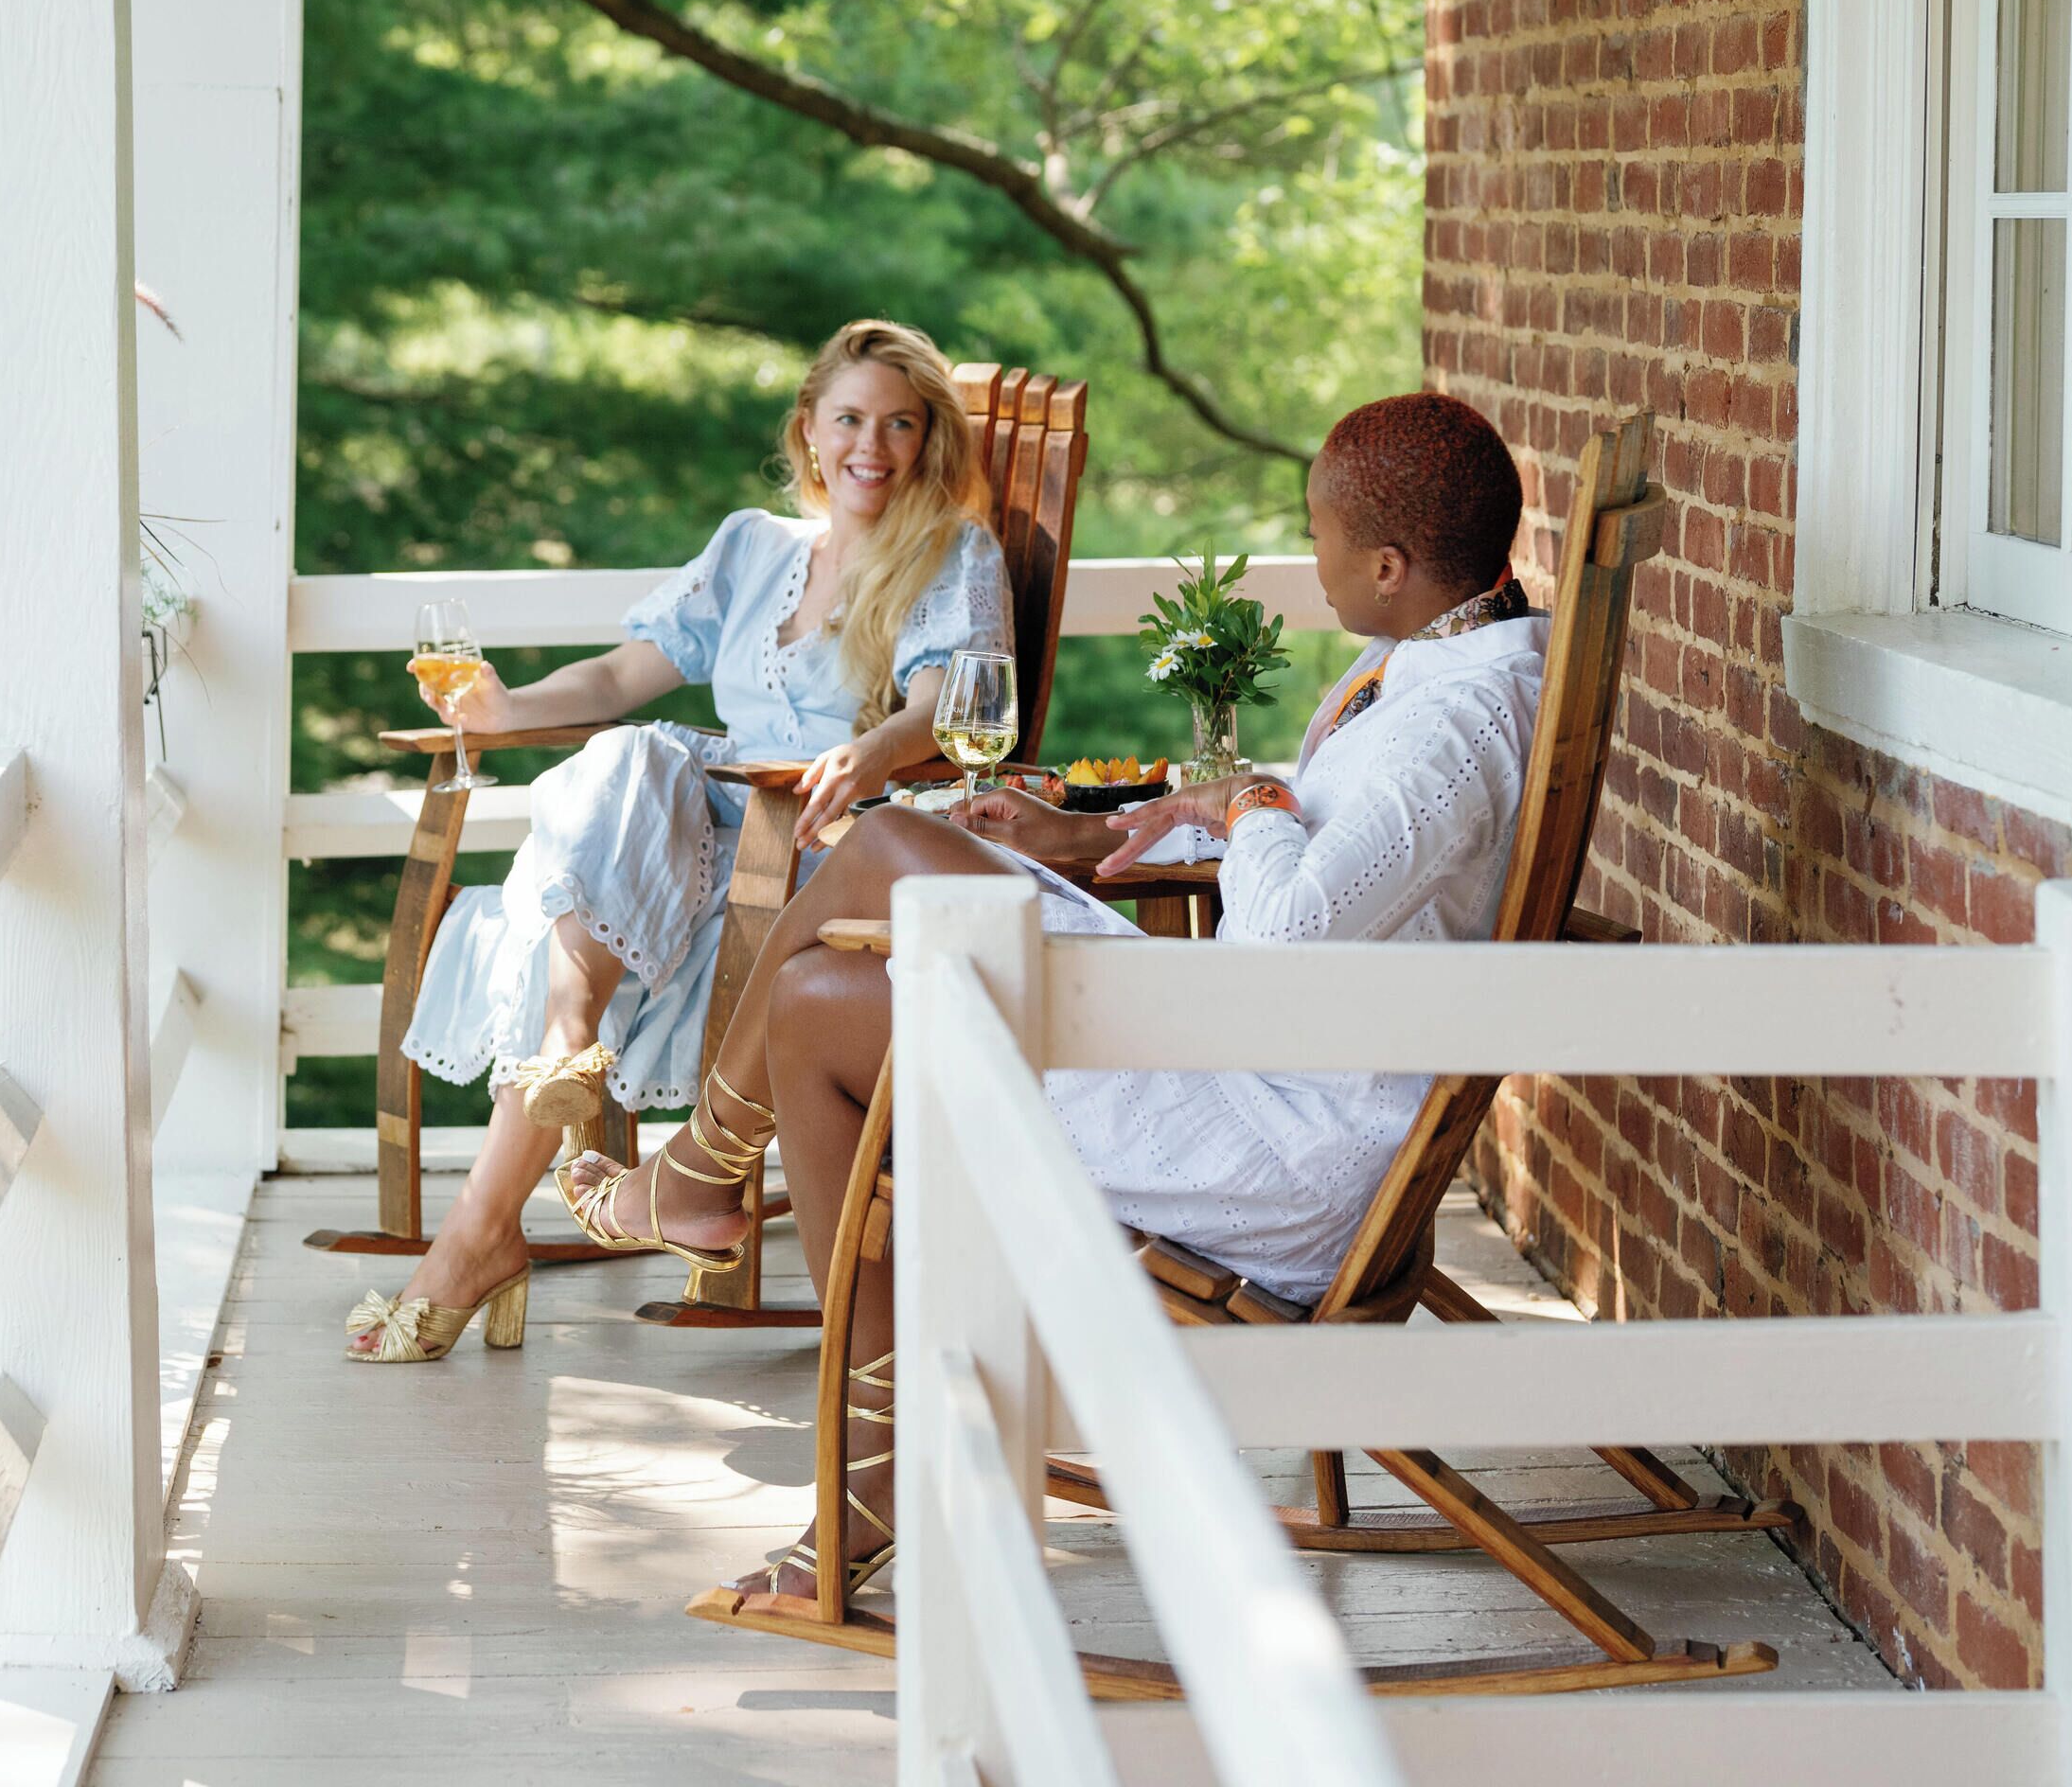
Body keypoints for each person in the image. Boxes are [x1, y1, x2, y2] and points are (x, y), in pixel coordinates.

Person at [558, 390, 1547, 1596]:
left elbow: (1287, 923)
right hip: (1240, 1052)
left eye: (1322, 534)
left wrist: (1243, 804)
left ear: (1390, 566)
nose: (1312, 556)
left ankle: (760, 1269)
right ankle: (728, 1211)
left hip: (1278, 1135)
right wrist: (1129, 826)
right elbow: (1344, 847)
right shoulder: (1439, 657)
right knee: (857, 909)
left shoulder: (1454, 725)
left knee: (842, 939)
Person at [344, 319, 1013, 1362]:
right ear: (809, 429)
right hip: (689, 839)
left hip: (810, 847)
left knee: (625, 785)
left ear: (930, 441)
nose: (870, 447)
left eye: (899, 424)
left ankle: (473, 1239)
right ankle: (568, 1047)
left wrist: (873, 752)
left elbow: (946, 703)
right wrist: (505, 704)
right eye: (849, 419)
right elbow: (617, 680)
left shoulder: (951, 555)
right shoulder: (754, 548)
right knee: (630, 753)